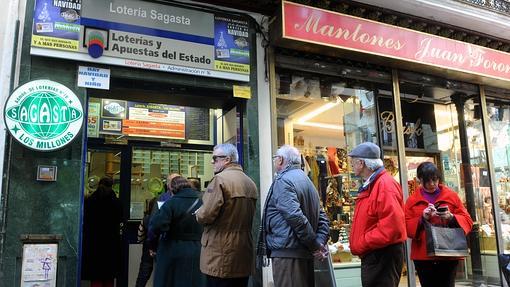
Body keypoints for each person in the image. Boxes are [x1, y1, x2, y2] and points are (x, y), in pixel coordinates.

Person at [259, 145, 330, 287]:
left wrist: (315, 246)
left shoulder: (283, 181)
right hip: (300, 253)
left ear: (280, 160)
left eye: (275, 159)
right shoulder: (307, 181)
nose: (274, 162)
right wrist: (318, 243)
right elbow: (322, 217)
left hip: (288, 254)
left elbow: (296, 217)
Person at [195, 143, 258, 287]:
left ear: (227, 159)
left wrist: (198, 213)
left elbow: (206, 214)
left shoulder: (220, 180)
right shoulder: (250, 182)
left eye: (215, 158)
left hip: (220, 253)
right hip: (244, 251)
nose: (212, 162)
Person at [348, 142, 407, 287]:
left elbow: (392, 227)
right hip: (376, 254)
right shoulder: (375, 183)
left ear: (361, 163)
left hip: (380, 255)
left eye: (353, 162)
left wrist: (362, 242)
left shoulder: (383, 185)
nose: (351, 166)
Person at [405, 162, 473, 287]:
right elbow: (406, 226)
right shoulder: (412, 201)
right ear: (420, 180)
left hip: (448, 252)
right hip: (423, 255)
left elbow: (468, 221)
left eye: (435, 180)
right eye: (427, 181)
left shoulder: (451, 196)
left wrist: (451, 217)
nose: (432, 184)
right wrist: (422, 218)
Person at [150, 176, 205, 287]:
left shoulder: (171, 203)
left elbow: (156, 225)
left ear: (172, 188)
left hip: (172, 248)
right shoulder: (202, 202)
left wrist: (154, 243)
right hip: (198, 249)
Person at [81, 177, 122, 287]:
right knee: (109, 275)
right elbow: (120, 219)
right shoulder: (116, 202)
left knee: (96, 275)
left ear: (99, 184)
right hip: (110, 242)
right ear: (112, 186)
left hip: (94, 242)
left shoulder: (90, 201)